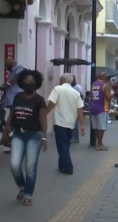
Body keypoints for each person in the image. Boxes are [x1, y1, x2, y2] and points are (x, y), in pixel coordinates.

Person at [1, 69, 47, 206]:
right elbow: (11, 115)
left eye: (31, 82)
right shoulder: (17, 97)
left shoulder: (39, 100)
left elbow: (43, 120)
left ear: (36, 84)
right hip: (17, 134)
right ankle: (22, 186)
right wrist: (5, 132)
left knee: (30, 167)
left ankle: (28, 194)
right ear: (22, 82)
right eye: (26, 81)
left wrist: (44, 138)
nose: (29, 83)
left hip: (34, 135)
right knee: (14, 165)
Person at [46, 73, 85, 175]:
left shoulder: (58, 89)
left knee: (62, 145)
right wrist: (82, 124)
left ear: (63, 79)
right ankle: (61, 165)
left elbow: (52, 103)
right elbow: (80, 109)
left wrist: (44, 113)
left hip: (60, 123)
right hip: (71, 124)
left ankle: (68, 167)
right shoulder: (75, 93)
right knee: (65, 145)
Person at [1, 59, 24, 154]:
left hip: (15, 100)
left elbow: (18, 76)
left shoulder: (19, 68)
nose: (7, 68)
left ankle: (15, 145)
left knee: (14, 123)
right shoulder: (13, 71)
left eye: (7, 66)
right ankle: (12, 144)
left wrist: (8, 84)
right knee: (12, 123)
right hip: (11, 100)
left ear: (11, 64)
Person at [89, 73, 113, 150]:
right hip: (101, 108)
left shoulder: (93, 84)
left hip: (93, 107)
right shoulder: (104, 85)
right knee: (101, 128)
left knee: (96, 127)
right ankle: (99, 144)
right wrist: (112, 93)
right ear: (103, 77)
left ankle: (97, 143)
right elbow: (108, 97)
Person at [71, 75, 83, 143]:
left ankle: (75, 137)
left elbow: (81, 97)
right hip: (71, 106)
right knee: (72, 123)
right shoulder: (71, 87)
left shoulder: (78, 87)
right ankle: (73, 136)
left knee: (75, 123)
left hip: (76, 107)